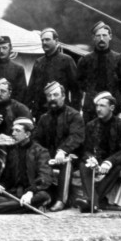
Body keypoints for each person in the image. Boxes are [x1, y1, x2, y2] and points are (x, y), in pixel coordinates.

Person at [0, 118, 53, 214]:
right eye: (13, 130)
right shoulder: (12, 151)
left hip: (34, 192)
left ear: (27, 134)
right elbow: (7, 176)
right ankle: (27, 206)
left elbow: (45, 177)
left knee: (43, 196)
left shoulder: (41, 151)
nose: (13, 133)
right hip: (14, 193)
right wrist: (2, 185)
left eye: (17, 131)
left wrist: (30, 192)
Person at [75, 91, 121, 213]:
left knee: (118, 168)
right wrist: (91, 159)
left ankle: (90, 202)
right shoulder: (91, 125)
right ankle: (94, 203)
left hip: (115, 164)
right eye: (97, 106)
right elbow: (86, 150)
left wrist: (109, 162)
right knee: (83, 165)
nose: (98, 109)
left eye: (102, 106)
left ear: (112, 108)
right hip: (97, 162)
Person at [33, 82, 85, 212]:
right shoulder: (44, 118)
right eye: (49, 96)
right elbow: (37, 140)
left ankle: (61, 200)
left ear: (63, 96)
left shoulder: (74, 115)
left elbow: (76, 136)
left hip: (73, 157)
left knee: (65, 162)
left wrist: (62, 150)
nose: (52, 98)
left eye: (55, 95)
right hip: (49, 157)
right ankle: (40, 198)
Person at [77, 21, 121, 122]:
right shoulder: (85, 60)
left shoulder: (118, 59)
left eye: (104, 35)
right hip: (91, 110)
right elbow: (78, 84)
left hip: (113, 108)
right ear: (94, 37)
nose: (101, 39)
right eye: (98, 36)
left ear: (110, 36)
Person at [27, 28, 80, 119]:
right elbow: (30, 90)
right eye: (42, 40)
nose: (44, 42)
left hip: (61, 113)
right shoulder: (38, 62)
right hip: (40, 113)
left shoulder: (67, 60)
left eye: (47, 39)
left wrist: (74, 112)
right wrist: (27, 112)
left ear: (56, 41)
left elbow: (76, 89)